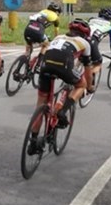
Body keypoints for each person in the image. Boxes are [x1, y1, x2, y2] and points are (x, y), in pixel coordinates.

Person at [28, 19, 94, 153]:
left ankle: (33, 142)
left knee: (41, 103)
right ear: (85, 34)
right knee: (81, 85)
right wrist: (90, 86)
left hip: (45, 66)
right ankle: (63, 111)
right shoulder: (85, 43)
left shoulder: (59, 37)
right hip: (64, 66)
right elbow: (87, 69)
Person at [87, 8, 111, 87]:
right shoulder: (110, 26)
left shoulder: (91, 19)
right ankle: (91, 75)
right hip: (92, 42)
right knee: (98, 63)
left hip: (81, 38)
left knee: (83, 57)